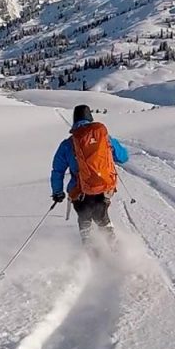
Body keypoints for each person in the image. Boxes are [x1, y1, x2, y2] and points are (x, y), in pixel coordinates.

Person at [51, 104, 130, 249]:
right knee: (101, 214)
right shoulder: (105, 138)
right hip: (104, 187)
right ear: (91, 119)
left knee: (84, 217)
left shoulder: (67, 144)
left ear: (74, 121)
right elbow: (123, 157)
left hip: (79, 191)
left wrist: (57, 192)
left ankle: (89, 250)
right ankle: (115, 248)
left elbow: (57, 170)